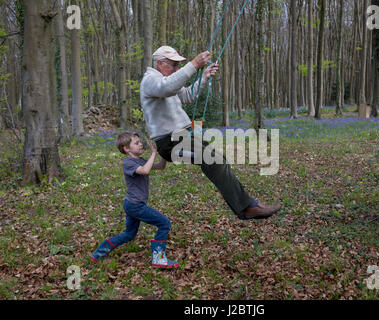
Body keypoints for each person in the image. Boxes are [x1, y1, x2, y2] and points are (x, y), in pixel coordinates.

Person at [140, 45, 281, 220]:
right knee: (213, 160)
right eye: (174, 65)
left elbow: (187, 96)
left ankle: (250, 205)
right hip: (171, 143)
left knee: (218, 160)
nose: (177, 69)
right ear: (160, 63)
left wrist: (204, 77)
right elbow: (167, 87)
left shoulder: (166, 80)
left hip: (184, 136)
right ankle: (246, 208)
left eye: (178, 65)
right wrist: (193, 64)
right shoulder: (151, 80)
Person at [90, 132, 178, 268]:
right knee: (164, 223)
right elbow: (144, 171)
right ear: (127, 149)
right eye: (136, 143)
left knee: (129, 234)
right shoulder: (128, 163)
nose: (141, 144)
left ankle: (98, 254)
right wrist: (153, 153)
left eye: (140, 141)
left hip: (132, 204)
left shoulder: (141, 160)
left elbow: (160, 166)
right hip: (135, 206)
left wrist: (163, 152)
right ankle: (158, 258)